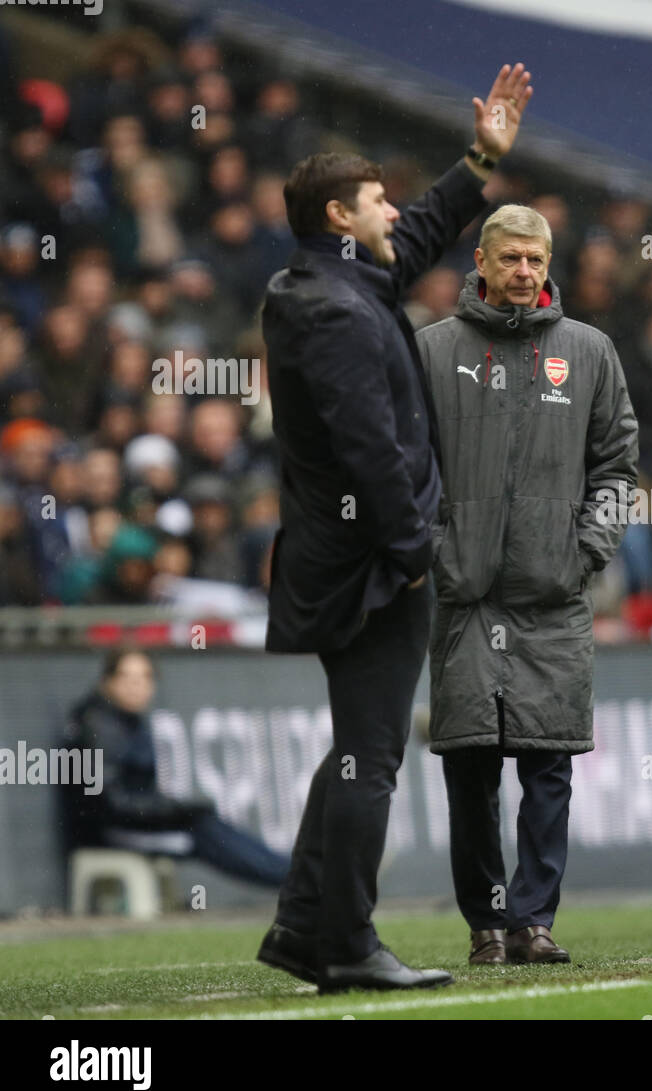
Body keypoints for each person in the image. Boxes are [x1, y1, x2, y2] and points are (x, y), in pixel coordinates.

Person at [255, 65, 534, 994]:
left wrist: (479, 160)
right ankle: (347, 945)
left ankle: (304, 928)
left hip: (356, 560)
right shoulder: (330, 309)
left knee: (354, 747)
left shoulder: (332, 288)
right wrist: (415, 554)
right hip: (368, 569)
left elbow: (415, 238)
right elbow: (368, 453)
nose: (392, 212)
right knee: (371, 757)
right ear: (340, 218)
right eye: (377, 200)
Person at [414, 204, 638, 966]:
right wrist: (439, 552)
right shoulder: (433, 351)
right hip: (465, 598)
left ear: (548, 264)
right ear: (480, 260)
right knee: (471, 770)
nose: (522, 273)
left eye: (534, 261)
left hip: (553, 597)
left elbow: (617, 467)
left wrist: (586, 552)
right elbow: (404, 469)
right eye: (508, 259)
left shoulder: (589, 352)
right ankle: (486, 925)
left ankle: (535, 923)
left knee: (549, 767)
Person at [59, 649, 289, 897]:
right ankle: (294, 880)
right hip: (109, 832)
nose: (136, 687)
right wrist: (176, 810)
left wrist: (180, 810)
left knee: (206, 821)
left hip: (134, 823)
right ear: (108, 681)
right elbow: (112, 804)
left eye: (144, 678)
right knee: (201, 830)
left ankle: (294, 874)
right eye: (127, 678)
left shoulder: (125, 720)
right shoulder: (99, 726)